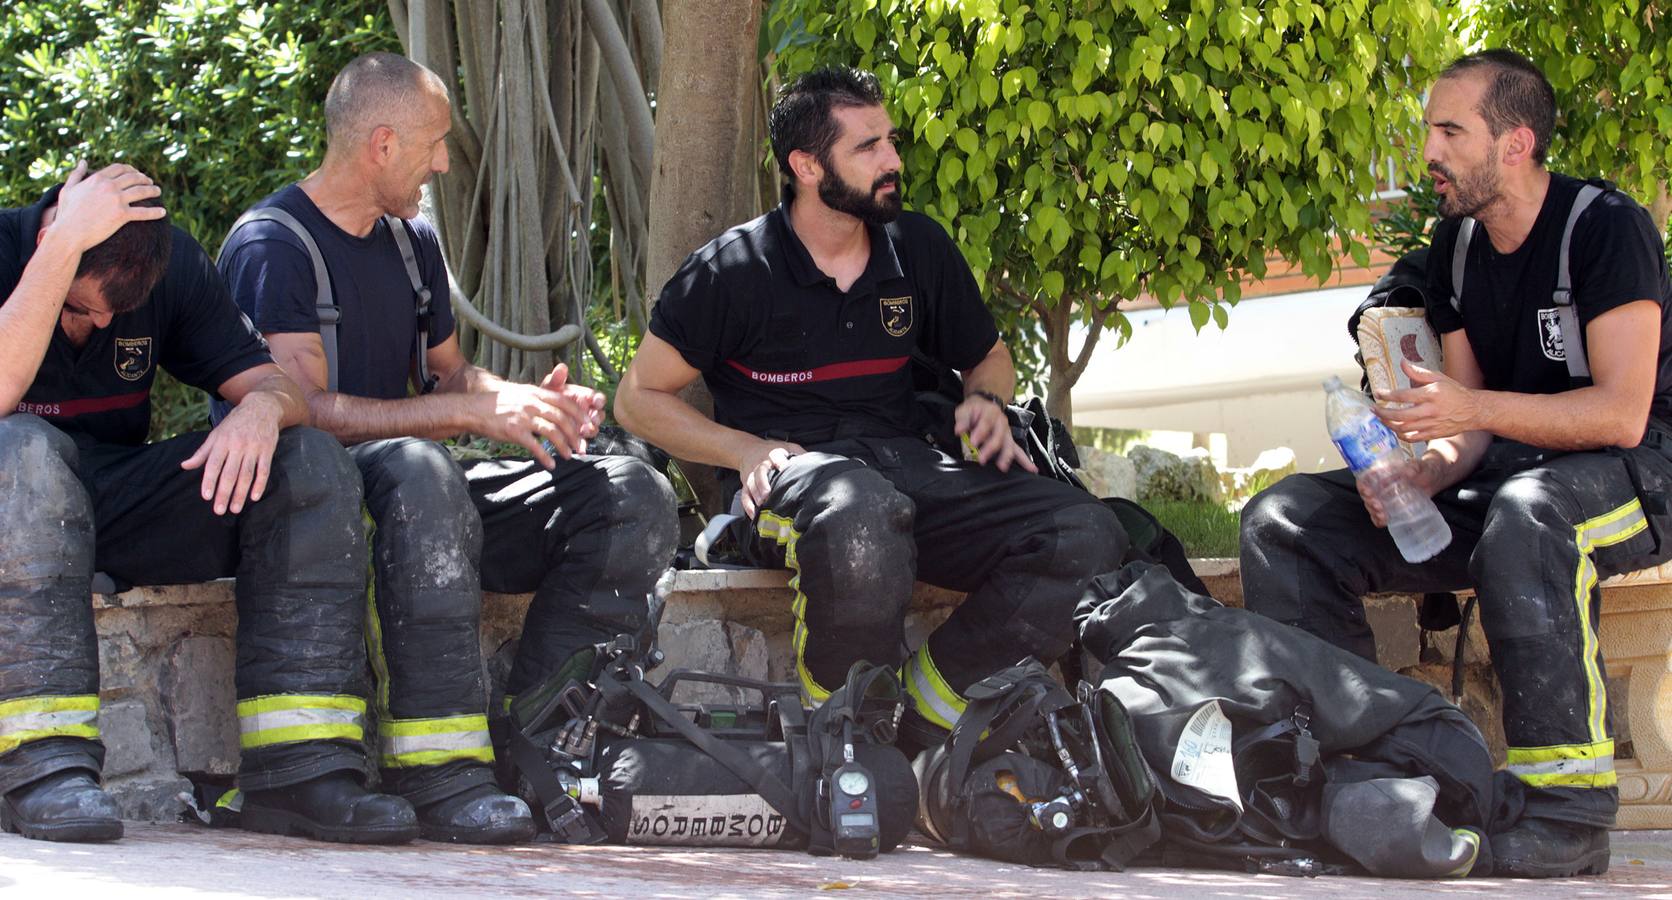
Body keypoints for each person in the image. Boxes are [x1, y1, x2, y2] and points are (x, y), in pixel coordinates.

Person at [219, 53, 679, 842]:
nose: (442, 163)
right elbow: (301, 414)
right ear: (384, 144)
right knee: (420, 466)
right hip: (321, 518)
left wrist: (521, 402)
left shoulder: (412, 242)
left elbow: (451, 375)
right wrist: (464, 417)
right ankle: (440, 774)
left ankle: (537, 742)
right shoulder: (273, 247)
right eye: (433, 145)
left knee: (630, 494)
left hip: (423, 501)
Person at [1239, 50, 1672, 877]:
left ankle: (1566, 812)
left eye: (1449, 130)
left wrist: (1471, 417)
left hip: (1644, 467)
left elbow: (1621, 412)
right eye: (1427, 129)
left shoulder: (1605, 227)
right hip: (1517, 471)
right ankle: (1362, 779)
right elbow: (1464, 420)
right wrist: (1425, 472)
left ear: (1515, 142)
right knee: (1286, 523)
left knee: (1528, 516)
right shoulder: (1460, 247)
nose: (1428, 150)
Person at [614, 66, 1126, 748]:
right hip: (797, 487)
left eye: (890, 139)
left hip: (908, 469)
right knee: (859, 515)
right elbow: (636, 400)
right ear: (806, 165)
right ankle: (844, 735)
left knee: (1086, 535)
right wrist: (743, 451)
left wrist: (984, 402)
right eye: (867, 147)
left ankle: (922, 715)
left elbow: (989, 356)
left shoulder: (917, 248)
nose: (892, 160)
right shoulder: (731, 272)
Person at [0, 162, 417, 844]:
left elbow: (279, 387)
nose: (99, 323)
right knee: (22, 448)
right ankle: (43, 766)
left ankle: (301, 771)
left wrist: (261, 408)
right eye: (80, 308)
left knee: (305, 459)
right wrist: (57, 256)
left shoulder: (175, 267)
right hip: (9, 501)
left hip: (111, 499)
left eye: (116, 313)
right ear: (52, 232)